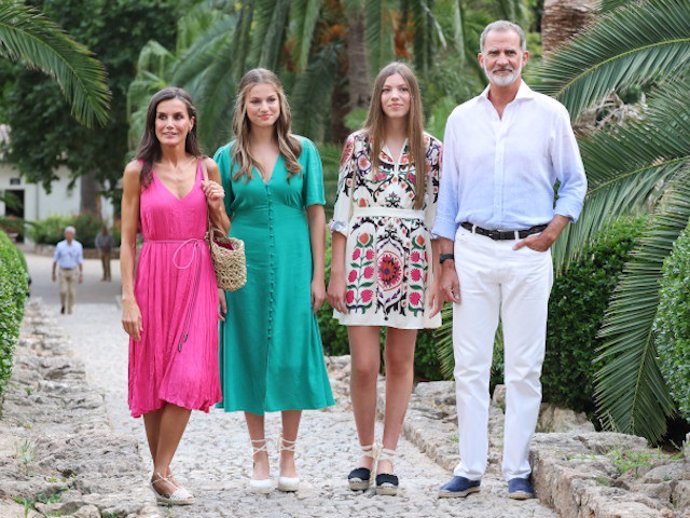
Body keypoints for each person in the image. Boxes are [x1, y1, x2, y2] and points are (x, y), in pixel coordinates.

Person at [433, 20, 587, 499]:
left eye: (510, 52)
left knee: (524, 366)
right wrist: (446, 262)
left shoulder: (550, 114)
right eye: (493, 53)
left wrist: (551, 233)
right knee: (470, 366)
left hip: (528, 252)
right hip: (473, 250)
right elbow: (449, 196)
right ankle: (471, 467)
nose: (502, 60)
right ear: (482, 60)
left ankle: (517, 468)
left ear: (524, 57)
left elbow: (575, 182)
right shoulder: (461, 118)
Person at [214, 68, 334, 494]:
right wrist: (218, 282)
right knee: (249, 351)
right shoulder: (226, 158)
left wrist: (318, 275)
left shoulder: (304, 151)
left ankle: (288, 454)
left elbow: (316, 212)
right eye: (255, 101)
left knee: (290, 352)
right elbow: (219, 223)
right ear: (243, 108)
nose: (264, 108)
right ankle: (259, 455)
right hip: (245, 266)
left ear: (281, 104)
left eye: (271, 100)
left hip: (293, 260)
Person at [327, 62, 442, 496]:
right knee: (363, 364)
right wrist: (337, 271)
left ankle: (389, 455)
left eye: (403, 89)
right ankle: (364, 452)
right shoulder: (357, 145)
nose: (395, 96)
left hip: (411, 260)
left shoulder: (432, 150)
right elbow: (341, 211)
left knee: (399, 361)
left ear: (413, 97)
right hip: (362, 258)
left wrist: (436, 273)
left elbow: (436, 217)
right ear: (377, 96)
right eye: (387, 89)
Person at [120, 86, 229, 506]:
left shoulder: (209, 167)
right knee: (153, 375)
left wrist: (218, 207)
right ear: (153, 123)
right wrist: (128, 297)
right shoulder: (138, 172)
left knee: (186, 373)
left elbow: (223, 234)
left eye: (177, 116)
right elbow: (128, 241)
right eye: (162, 117)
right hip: (152, 276)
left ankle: (161, 471)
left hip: (198, 275)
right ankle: (163, 474)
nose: (170, 124)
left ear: (191, 121)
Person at [51, 225, 83, 314]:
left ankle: (70, 307)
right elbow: (55, 259)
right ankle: (63, 305)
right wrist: (53, 273)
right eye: (67, 234)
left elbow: (80, 260)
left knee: (72, 291)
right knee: (63, 291)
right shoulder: (60, 245)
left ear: (73, 235)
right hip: (63, 270)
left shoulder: (78, 246)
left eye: (71, 234)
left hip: (73, 270)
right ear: (65, 235)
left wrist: (81, 274)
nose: (69, 236)